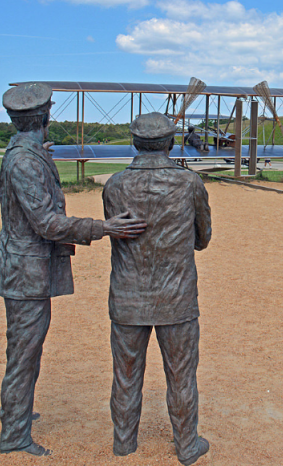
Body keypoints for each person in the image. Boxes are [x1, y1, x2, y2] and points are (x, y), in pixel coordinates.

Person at [0, 82, 147, 457]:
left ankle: (17, 414)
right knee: (24, 352)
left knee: (27, 349)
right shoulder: (24, 161)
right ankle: (14, 435)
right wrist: (104, 227)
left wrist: (41, 157)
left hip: (29, 270)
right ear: (44, 117)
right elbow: (47, 224)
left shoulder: (28, 152)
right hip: (26, 273)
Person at [103, 112, 212, 466]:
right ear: (169, 142)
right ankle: (186, 445)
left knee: (126, 373)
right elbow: (203, 237)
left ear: (135, 142)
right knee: (181, 374)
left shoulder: (115, 185)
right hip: (175, 297)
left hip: (128, 295)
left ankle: (124, 442)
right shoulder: (189, 182)